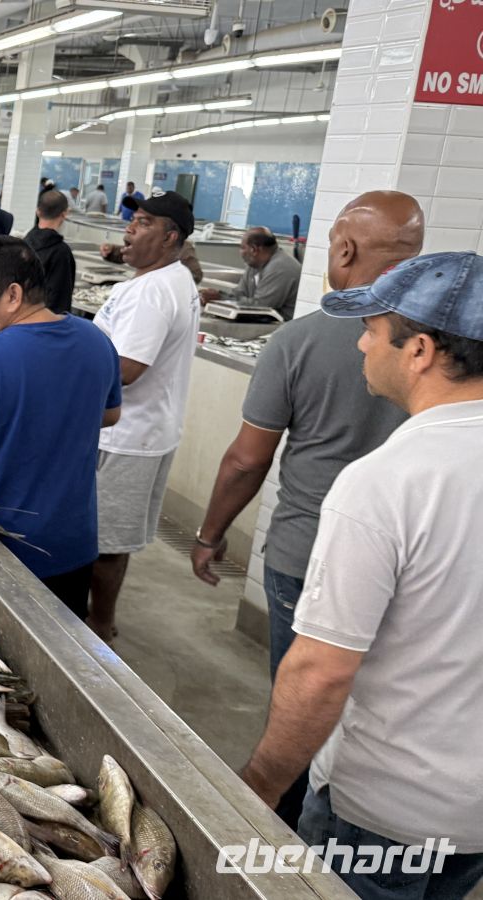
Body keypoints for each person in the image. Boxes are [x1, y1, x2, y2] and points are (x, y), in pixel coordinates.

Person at [238, 252, 483, 900]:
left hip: (383, 812)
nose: (361, 343)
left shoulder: (388, 482)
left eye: (372, 329)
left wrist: (258, 786)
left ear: (420, 350)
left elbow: (321, 670)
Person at [190, 192, 420, 829]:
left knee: (304, 698)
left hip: (309, 555)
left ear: (342, 250)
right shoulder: (440, 348)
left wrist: (211, 534)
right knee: (375, 703)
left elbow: (246, 459)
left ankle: (286, 832)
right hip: (414, 566)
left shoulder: (300, 340)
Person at [0, 236, 121, 615]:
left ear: (12, 295)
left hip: (6, 545)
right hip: (74, 545)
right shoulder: (95, 339)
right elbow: (111, 414)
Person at [89, 190, 202, 642]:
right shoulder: (170, 279)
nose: (130, 229)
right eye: (133, 219)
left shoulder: (153, 291)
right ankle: (102, 620)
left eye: (145, 222)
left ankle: (98, 628)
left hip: (126, 435)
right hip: (148, 431)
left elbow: (128, 369)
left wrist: (63, 382)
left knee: (106, 542)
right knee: (114, 538)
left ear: (171, 236)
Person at [200, 227, 303, 319]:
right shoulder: (254, 264)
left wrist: (220, 298)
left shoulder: (280, 267)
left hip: (282, 325)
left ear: (254, 249)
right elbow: (238, 294)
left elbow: (261, 308)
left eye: (242, 248)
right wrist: (218, 297)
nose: (240, 252)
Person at [24, 189, 77, 315]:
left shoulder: (23, 244)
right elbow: (59, 301)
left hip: (19, 321)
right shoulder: (60, 252)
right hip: (45, 326)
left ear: (38, 211)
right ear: (64, 214)